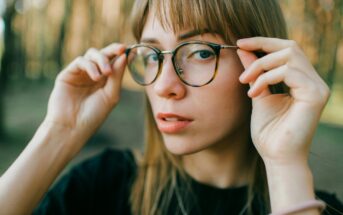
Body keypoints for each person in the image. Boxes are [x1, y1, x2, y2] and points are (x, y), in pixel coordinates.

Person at [0, 0, 342, 214]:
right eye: (151, 56)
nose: (164, 85)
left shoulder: (310, 206)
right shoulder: (102, 187)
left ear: (263, 63)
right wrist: (59, 133)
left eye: (201, 52)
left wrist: (285, 164)